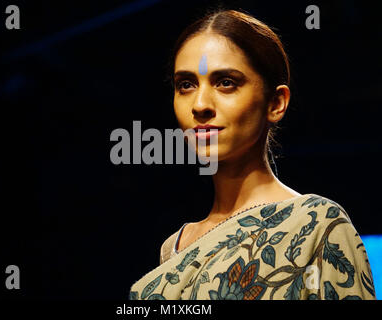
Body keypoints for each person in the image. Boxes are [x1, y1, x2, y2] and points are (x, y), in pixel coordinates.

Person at [129, 9, 376, 300]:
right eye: (185, 85)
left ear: (276, 103)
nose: (199, 105)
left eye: (225, 82)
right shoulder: (174, 248)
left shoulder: (317, 225)